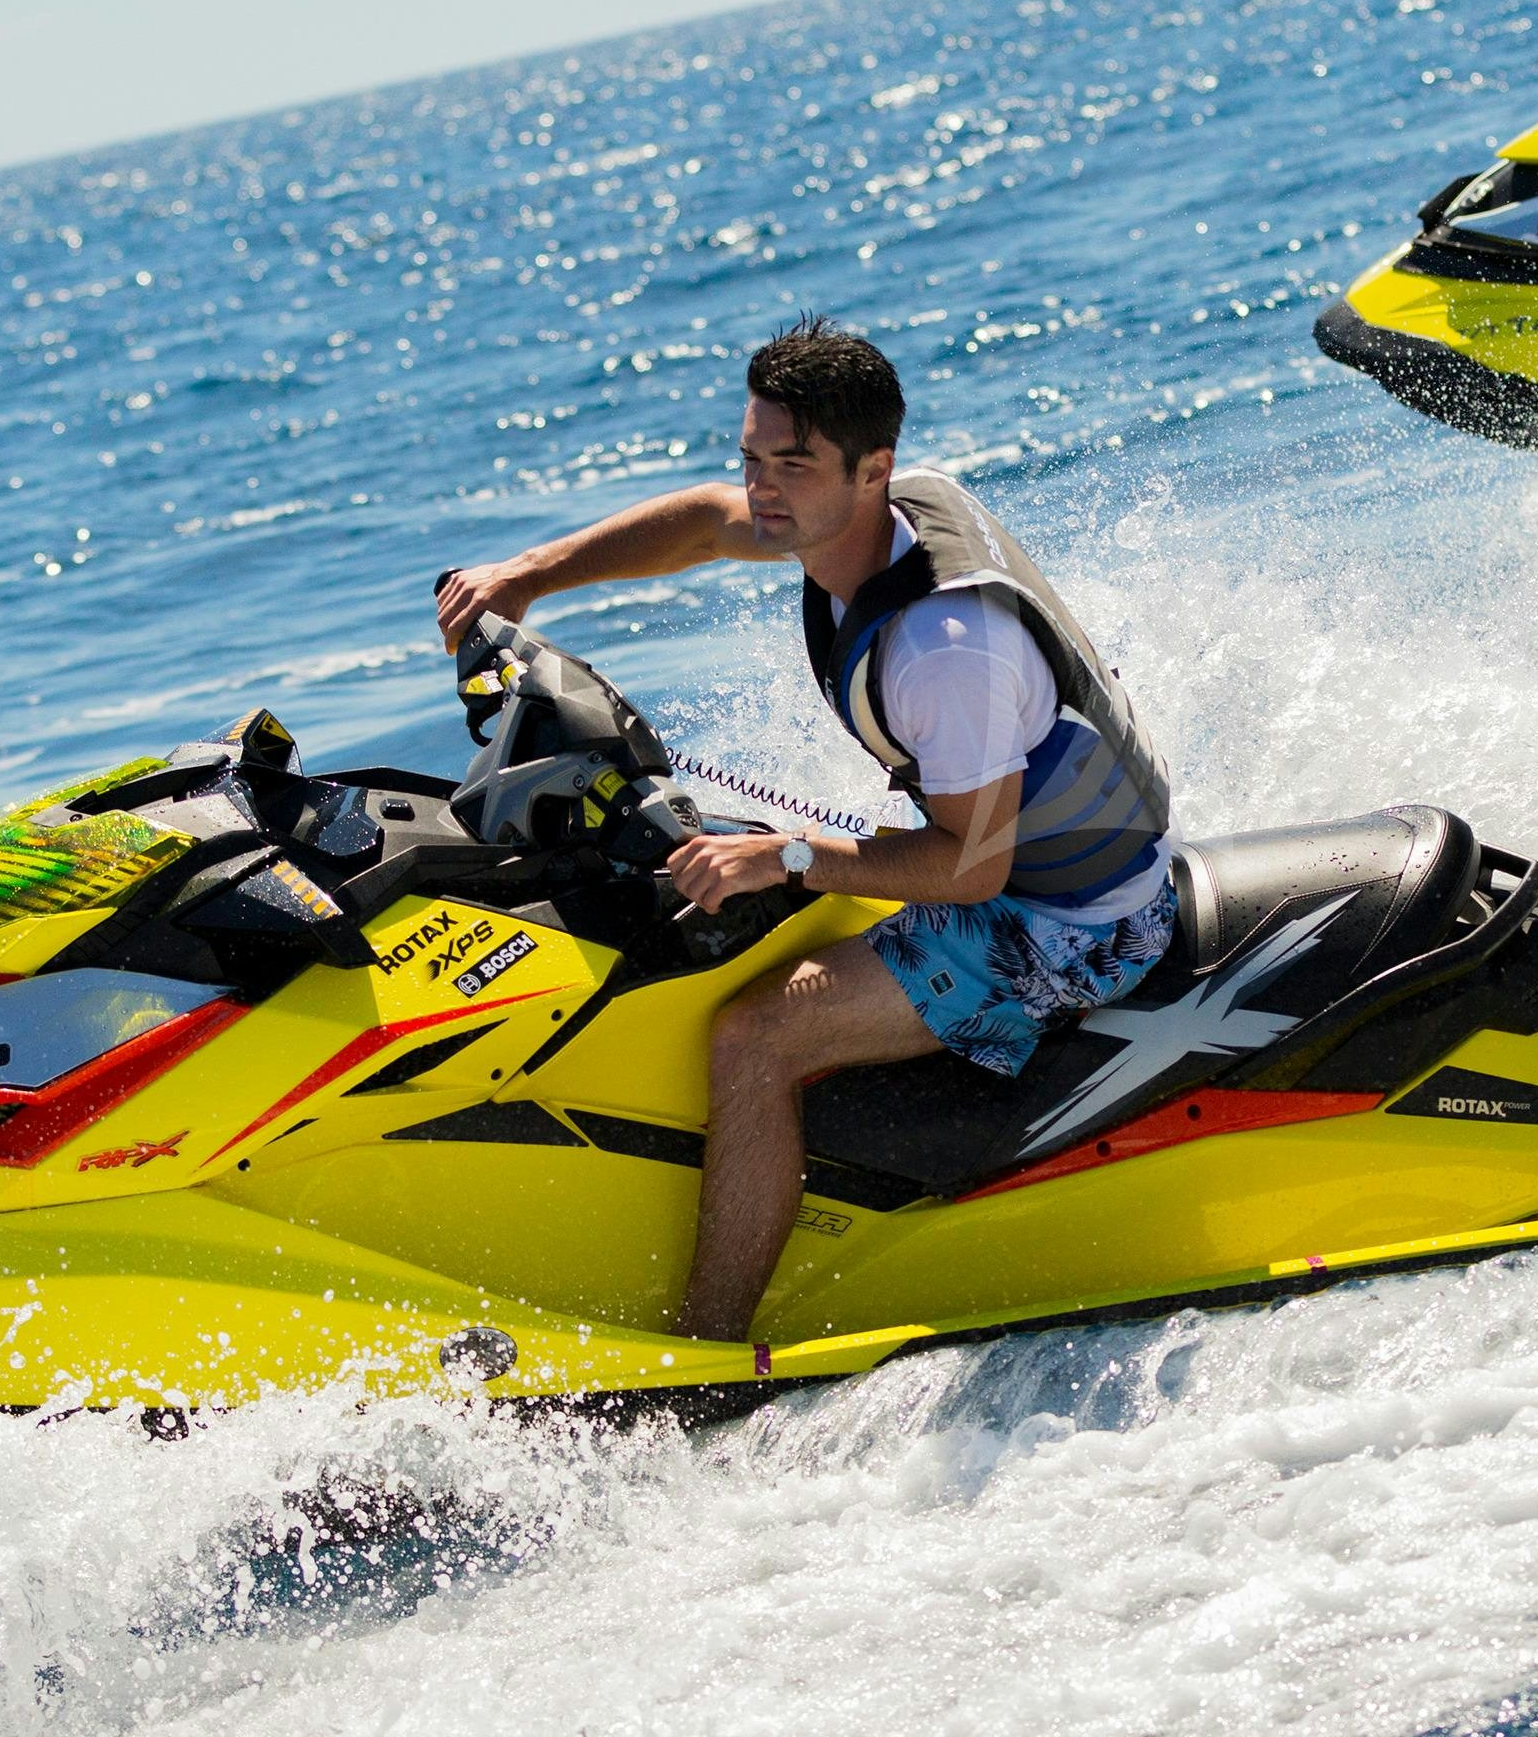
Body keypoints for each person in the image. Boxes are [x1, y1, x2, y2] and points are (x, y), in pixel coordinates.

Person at [433, 320, 1180, 1342]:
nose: (762, 487)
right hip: (1019, 854)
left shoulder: (942, 651)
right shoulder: (860, 522)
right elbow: (701, 524)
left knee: (754, 1035)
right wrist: (527, 574)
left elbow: (969, 870)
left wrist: (782, 856)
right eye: (753, 457)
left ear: (872, 470)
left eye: (792, 464)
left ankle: (713, 1347)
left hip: (1070, 923)